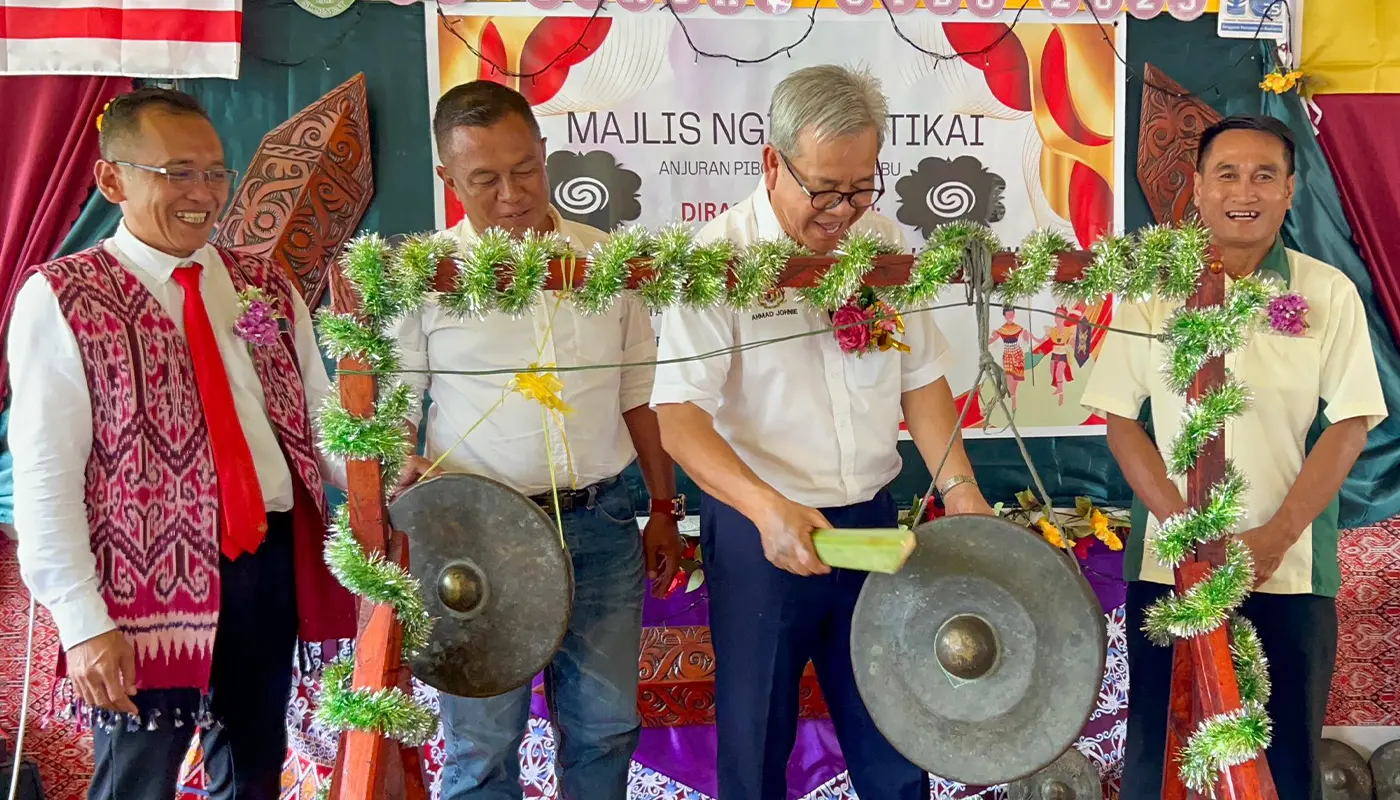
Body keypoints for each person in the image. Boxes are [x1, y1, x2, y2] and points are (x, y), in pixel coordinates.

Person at [650, 64, 994, 800]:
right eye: (825, 190)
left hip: (869, 523)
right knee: (756, 743)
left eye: (861, 186)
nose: (844, 209)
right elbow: (677, 418)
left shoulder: (882, 242)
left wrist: (963, 495)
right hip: (760, 533)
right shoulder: (716, 259)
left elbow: (921, 381)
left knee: (897, 740)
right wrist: (768, 511)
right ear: (773, 162)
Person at [4, 87, 356, 800]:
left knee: (256, 765)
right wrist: (81, 623)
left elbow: (318, 419)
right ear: (113, 180)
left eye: (215, 173)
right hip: (141, 586)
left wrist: (381, 471)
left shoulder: (261, 284)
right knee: (138, 780)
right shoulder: (64, 296)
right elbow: (45, 476)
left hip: (268, 561)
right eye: (177, 173)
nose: (203, 193)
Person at [1080, 114, 1387, 800]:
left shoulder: (1327, 293)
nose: (1243, 191)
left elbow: (1350, 426)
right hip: (1169, 567)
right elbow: (1120, 420)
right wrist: (1186, 530)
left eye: (1263, 175)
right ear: (1195, 188)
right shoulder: (1153, 289)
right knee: (1161, 758)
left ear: (1289, 191)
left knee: (1282, 766)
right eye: (1226, 173)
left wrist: (1274, 540)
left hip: (1290, 572)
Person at [390, 80, 682, 800]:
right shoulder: (423, 277)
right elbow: (391, 409)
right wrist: (400, 460)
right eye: (484, 179)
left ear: (545, 155)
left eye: (524, 169)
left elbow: (640, 396)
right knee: (485, 743)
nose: (512, 194)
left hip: (603, 520)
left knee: (606, 726)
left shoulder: (607, 263)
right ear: (446, 179)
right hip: (476, 537)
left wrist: (665, 507)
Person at [990, 306, 1029, 409]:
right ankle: (1013, 398)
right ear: (1005, 316)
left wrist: (1026, 337)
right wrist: (987, 341)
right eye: (1008, 315)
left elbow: (1025, 340)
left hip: (1017, 354)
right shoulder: (1002, 329)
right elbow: (993, 339)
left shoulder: (1018, 328)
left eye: (1012, 315)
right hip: (1007, 355)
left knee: (1016, 378)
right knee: (1009, 377)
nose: (1010, 317)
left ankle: (1014, 397)